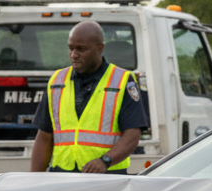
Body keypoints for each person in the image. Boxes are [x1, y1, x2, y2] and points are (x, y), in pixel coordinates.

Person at [30, 20, 148, 173]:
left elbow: (132, 134)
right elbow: (44, 136)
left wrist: (106, 160)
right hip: (62, 176)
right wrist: (34, 179)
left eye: (81, 49)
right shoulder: (57, 81)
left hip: (107, 176)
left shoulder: (122, 80)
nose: (74, 55)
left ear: (99, 48)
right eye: (71, 48)